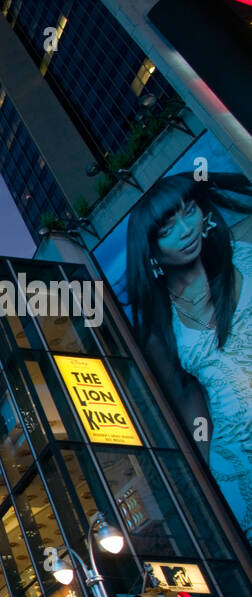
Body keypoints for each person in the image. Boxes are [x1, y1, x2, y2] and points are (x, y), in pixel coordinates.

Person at [124, 171, 252, 544]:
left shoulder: (245, 251)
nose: (185, 230)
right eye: (166, 228)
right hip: (238, 461)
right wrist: (203, 492)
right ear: (150, 249)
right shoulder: (161, 328)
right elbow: (192, 411)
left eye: (189, 211)